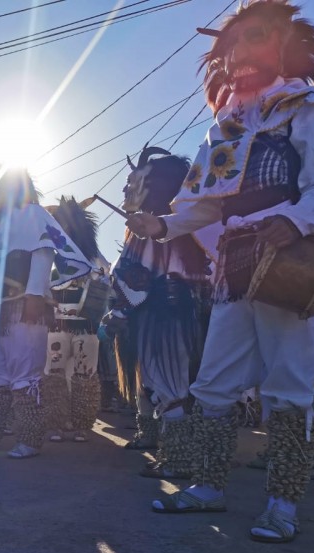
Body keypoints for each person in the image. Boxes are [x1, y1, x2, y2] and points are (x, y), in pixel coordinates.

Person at [125, 0, 314, 542]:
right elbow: (204, 205)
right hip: (234, 265)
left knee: (288, 385)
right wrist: (161, 227)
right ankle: (209, 486)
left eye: (253, 38)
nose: (239, 53)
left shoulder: (305, 107)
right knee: (213, 379)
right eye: (231, 45)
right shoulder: (224, 128)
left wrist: (294, 221)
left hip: (290, 263)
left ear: (285, 44)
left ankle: (282, 505)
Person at [104, 148, 211, 480]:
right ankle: (178, 453)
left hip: (162, 315)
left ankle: (178, 460)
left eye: (133, 182)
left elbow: (135, 275)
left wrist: (118, 311)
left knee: (167, 383)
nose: (125, 190)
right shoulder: (183, 228)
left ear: (153, 186)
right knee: (174, 382)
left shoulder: (152, 227)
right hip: (184, 313)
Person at [0, 167, 91, 458]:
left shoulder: (35, 216)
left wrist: (35, 296)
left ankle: (29, 439)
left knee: (25, 372)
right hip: (0, 312)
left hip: (26, 309)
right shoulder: (1, 226)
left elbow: (43, 254)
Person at [44, 196, 110, 444]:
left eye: (70, 224)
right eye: (61, 224)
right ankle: (57, 422)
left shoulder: (94, 257)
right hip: (57, 325)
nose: (66, 229)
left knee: (84, 374)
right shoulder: (49, 255)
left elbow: (104, 281)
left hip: (85, 326)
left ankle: (82, 423)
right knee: (55, 373)